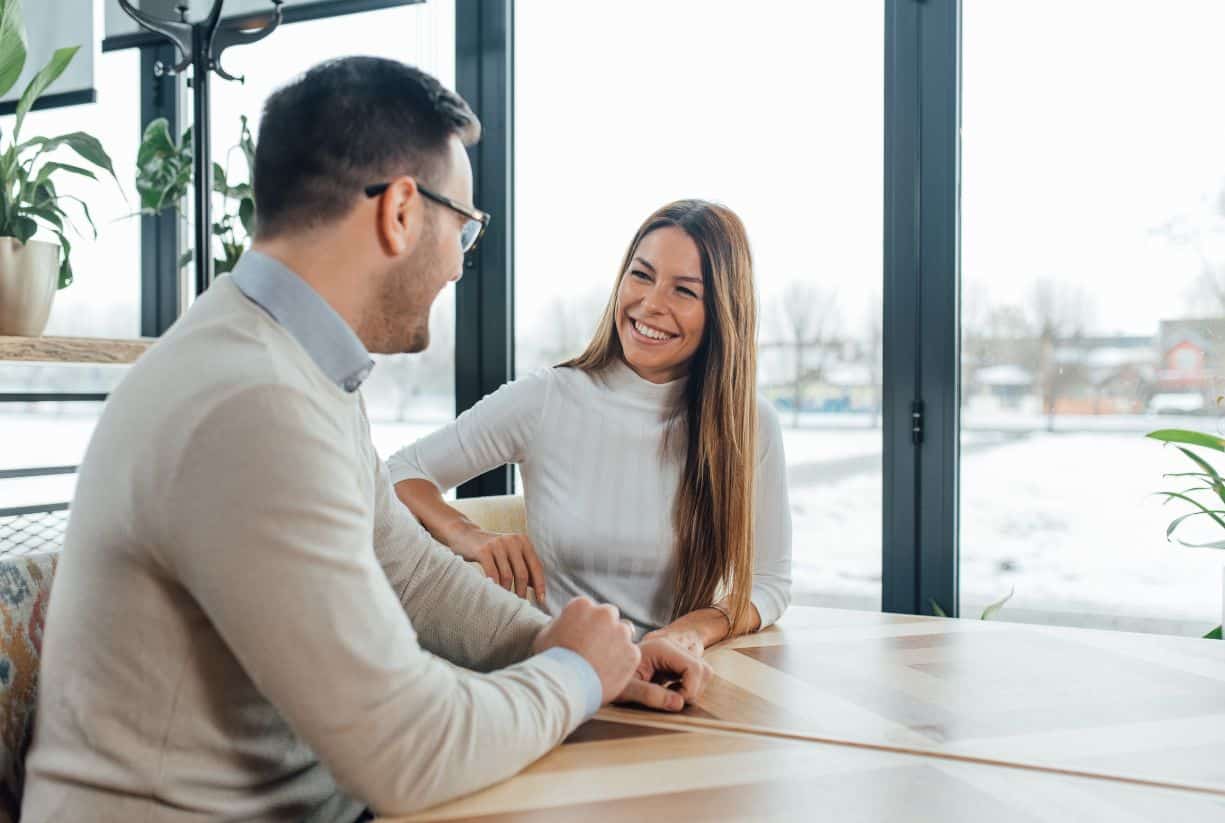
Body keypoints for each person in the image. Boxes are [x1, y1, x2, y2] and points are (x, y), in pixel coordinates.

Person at [21, 58, 710, 823]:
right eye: (465, 227)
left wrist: (562, 641)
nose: (457, 261)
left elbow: (410, 573)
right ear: (403, 212)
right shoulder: (250, 402)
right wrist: (573, 671)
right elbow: (407, 747)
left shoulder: (292, 364)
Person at [389, 200, 792, 657]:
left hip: (675, 673)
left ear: (721, 310)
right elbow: (400, 472)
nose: (651, 303)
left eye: (684, 291)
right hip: (553, 672)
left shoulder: (750, 425)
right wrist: (468, 535)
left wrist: (689, 632)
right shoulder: (547, 399)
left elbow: (770, 584)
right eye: (641, 275)